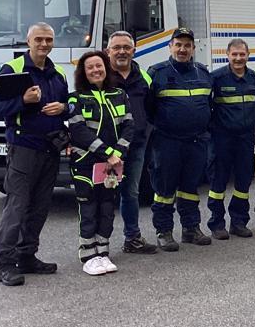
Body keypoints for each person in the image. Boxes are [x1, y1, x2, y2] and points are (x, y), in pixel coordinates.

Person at [0, 22, 68, 286]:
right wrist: (23, 102)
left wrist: (63, 108)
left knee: (40, 207)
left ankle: (28, 256)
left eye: (49, 40)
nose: (44, 45)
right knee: (17, 207)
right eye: (39, 40)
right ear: (28, 41)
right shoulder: (13, 70)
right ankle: (6, 264)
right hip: (23, 149)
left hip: (50, 149)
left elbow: (68, 107)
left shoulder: (58, 74)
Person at [68, 51, 137, 275]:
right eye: (90, 67)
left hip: (112, 165)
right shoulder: (76, 98)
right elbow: (78, 132)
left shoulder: (119, 94)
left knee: (107, 207)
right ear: (83, 73)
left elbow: (129, 125)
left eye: (99, 66)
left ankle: (103, 253)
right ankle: (88, 255)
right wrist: (107, 152)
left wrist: (118, 152)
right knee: (88, 207)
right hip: (86, 163)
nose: (96, 70)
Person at [147, 28, 213, 250]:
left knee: (190, 187)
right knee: (164, 190)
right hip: (168, 141)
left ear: (194, 48)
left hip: (196, 141)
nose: (183, 49)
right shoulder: (157, 73)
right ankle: (164, 231)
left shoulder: (203, 73)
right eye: (178, 44)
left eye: (187, 45)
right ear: (170, 47)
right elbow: (148, 109)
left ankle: (191, 228)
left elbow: (210, 106)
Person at [105, 31, 158, 254]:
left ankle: (132, 238)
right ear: (108, 51)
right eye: (116, 47)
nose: (122, 52)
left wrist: (146, 133)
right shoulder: (101, 76)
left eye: (126, 47)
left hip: (135, 146)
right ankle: (98, 243)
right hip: (106, 149)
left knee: (131, 193)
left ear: (134, 51)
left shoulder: (143, 77)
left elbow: (152, 108)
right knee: (102, 195)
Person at [207, 38, 255, 239]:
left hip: (246, 138)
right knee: (218, 182)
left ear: (248, 55)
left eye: (242, 54)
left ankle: (239, 222)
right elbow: (206, 107)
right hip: (222, 137)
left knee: (244, 181)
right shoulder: (217, 78)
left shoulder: (254, 78)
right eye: (234, 54)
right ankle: (217, 223)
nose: (238, 58)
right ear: (227, 55)